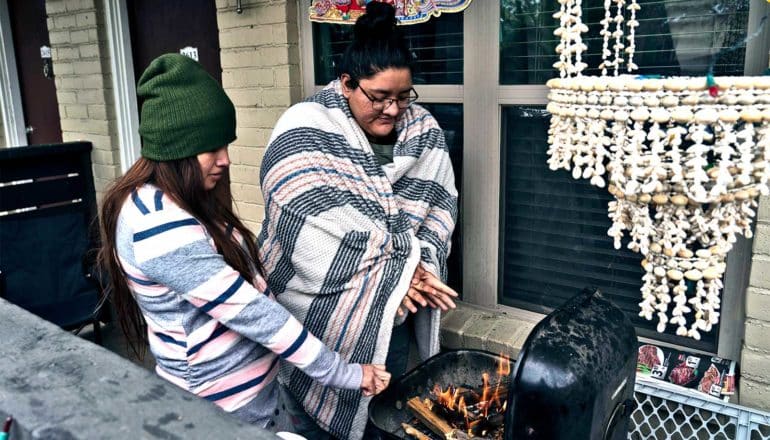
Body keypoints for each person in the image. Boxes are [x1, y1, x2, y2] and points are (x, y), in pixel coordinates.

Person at [96, 53, 389, 433]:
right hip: (218, 413)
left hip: (247, 402)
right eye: (212, 148)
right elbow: (252, 312)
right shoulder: (159, 225)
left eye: (227, 145)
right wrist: (345, 374)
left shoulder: (172, 201)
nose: (226, 160)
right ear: (176, 149)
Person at [258, 3, 459, 439]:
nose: (393, 110)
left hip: (393, 317)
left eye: (403, 97)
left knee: (383, 417)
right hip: (315, 316)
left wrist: (413, 271)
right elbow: (302, 213)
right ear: (347, 83)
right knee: (310, 429)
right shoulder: (305, 123)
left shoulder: (423, 131)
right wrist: (399, 272)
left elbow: (438, 209)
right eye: (380, 97)